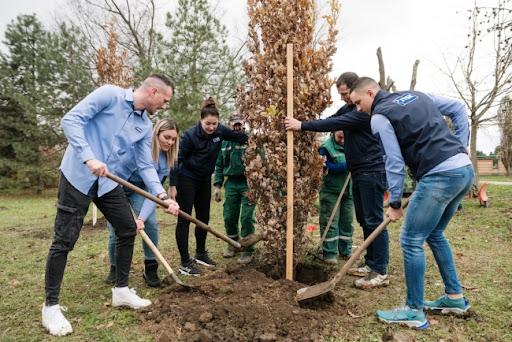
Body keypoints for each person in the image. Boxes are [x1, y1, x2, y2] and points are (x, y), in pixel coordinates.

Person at [42, 74, 180, 336]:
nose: (164, 106)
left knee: (127, 229)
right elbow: (71, 120)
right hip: (78, 176)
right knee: (64, 240)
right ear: (153, 91)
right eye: (164, 100)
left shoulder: (144, 124)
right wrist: (88, 157)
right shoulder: (109, 95)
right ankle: (50, 306)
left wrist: (162, 196)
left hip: (107, 184)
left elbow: (145, 165)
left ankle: (121, 291)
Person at [349, 77, 473, 329]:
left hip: (439, 175)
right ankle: (454, 298)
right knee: (435, 233)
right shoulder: (419, 95)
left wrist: (394, 202)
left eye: (359, 102)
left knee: (410, 240)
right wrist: (462, 145)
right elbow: (459, 108)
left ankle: (413, 310)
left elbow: (393, 161)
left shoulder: (379, 116)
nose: (358, 109)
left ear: (371, 93)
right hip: (464, 171)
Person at [284, 72, 389, 289]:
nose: (342, 98)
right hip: (359, 171)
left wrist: (301, 125)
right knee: (364, 219)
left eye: (344, 94)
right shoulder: (350, 107)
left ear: (354, 90)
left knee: (374, 220)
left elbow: (337, 122)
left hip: (371, 171)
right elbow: (331, 120)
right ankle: (370, 263)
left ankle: (380, 269)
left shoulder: (362, 113)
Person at [169, 98, 248, 276]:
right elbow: (176, 160)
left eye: (214, 124)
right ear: (200, 120)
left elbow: (239, 137)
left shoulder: (220, 131)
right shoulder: (189, 136)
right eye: (207, 124)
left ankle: (201, 253)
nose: (211, 127)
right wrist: (173, 185)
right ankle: (184, 262)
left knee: (203, 218)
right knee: (185, 219)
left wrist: (262, 136)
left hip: (204, 179)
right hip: (187, 178)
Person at [105, 118, 179, 287]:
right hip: (116, 186)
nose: (170, 142)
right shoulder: (138, 147)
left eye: (173, 139)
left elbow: (154, 190)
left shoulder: (166, 159)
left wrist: (141, 219)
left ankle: (150, 267)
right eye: (167, 137)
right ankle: (114, 267)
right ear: (156, 134)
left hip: (142, 188)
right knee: (116, 230)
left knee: (151, 223)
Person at [213, 112, 256, 264]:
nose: (237, 127)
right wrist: (217, 185)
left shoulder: (251, 139)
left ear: (244, 123)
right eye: (234, 124)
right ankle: (232, 244)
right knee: (229, 216)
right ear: (230, 124)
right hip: (231, 183)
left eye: (240, 124)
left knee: (246, 218)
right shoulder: (224, 142)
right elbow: (218, 165)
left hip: (248, 183)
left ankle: (248, 249)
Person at [318, 130, 354, 264]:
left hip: (348, 189)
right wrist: (346, 166)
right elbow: (325, 167)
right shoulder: (325, 147)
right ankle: (329, 253)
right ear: (333, 133)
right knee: (330, 221)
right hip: (331, 190)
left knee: (347, 221)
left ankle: (346, 250)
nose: (342, 140)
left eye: (345, 137)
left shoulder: (352, 143)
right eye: (340, 137)